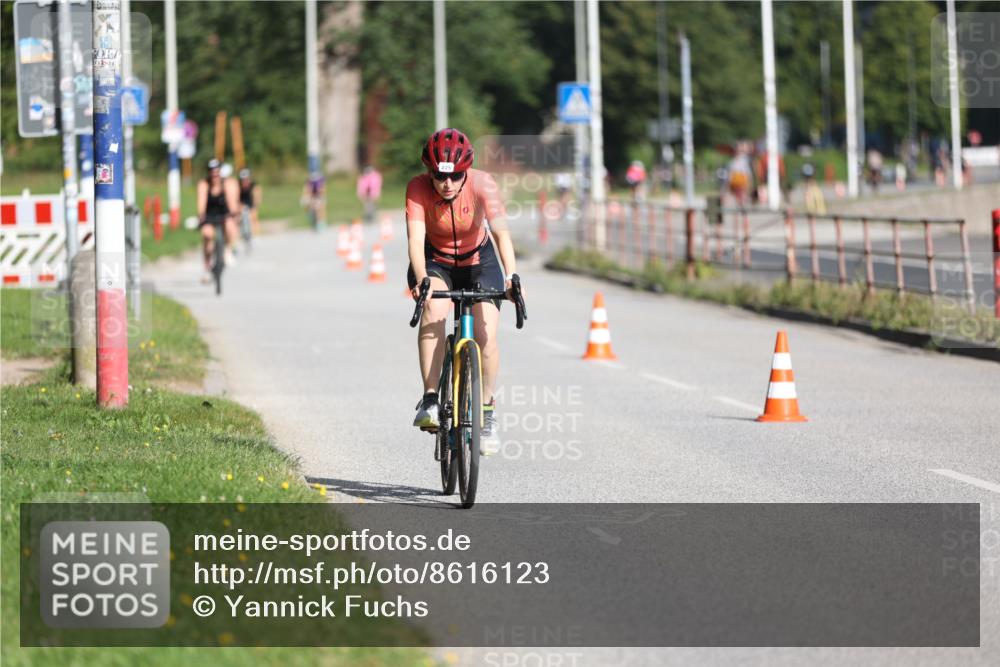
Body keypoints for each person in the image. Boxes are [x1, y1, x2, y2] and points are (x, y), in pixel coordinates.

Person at [406, 128, 519, 453]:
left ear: (466, 171)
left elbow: (501, 234)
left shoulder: (483, 184)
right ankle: (430, 399)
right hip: (436, 261)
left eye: (455, 176)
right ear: (429, 172)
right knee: (434, 311)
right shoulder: (417, 188)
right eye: (439, 176)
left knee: (486, 336)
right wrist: (422, 279)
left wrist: (512, 276)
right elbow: (415, 240)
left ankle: (487, 413)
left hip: (480, 261)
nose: (448, 184)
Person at [196, 159, 240, 283]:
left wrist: (234, 215)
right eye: (212, 172)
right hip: (209, 215)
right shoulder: (204, 184)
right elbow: (201, 203)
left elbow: (232, 202)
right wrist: (201, 216)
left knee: (231, 226)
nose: (214, 175)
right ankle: (207, 267)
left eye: (217, 172)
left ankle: (227, 250)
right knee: (207, 235)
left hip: (225, 213)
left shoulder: (228, 183)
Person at [238, 168, 262, 237]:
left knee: (253, 217)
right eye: (243, 179)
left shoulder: (254, 186)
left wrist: (254, 207)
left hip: (251, 205)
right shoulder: (238, 186)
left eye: (246, 179)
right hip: (241, 206)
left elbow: (257, 199)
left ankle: (256, 234)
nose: (245, 181)